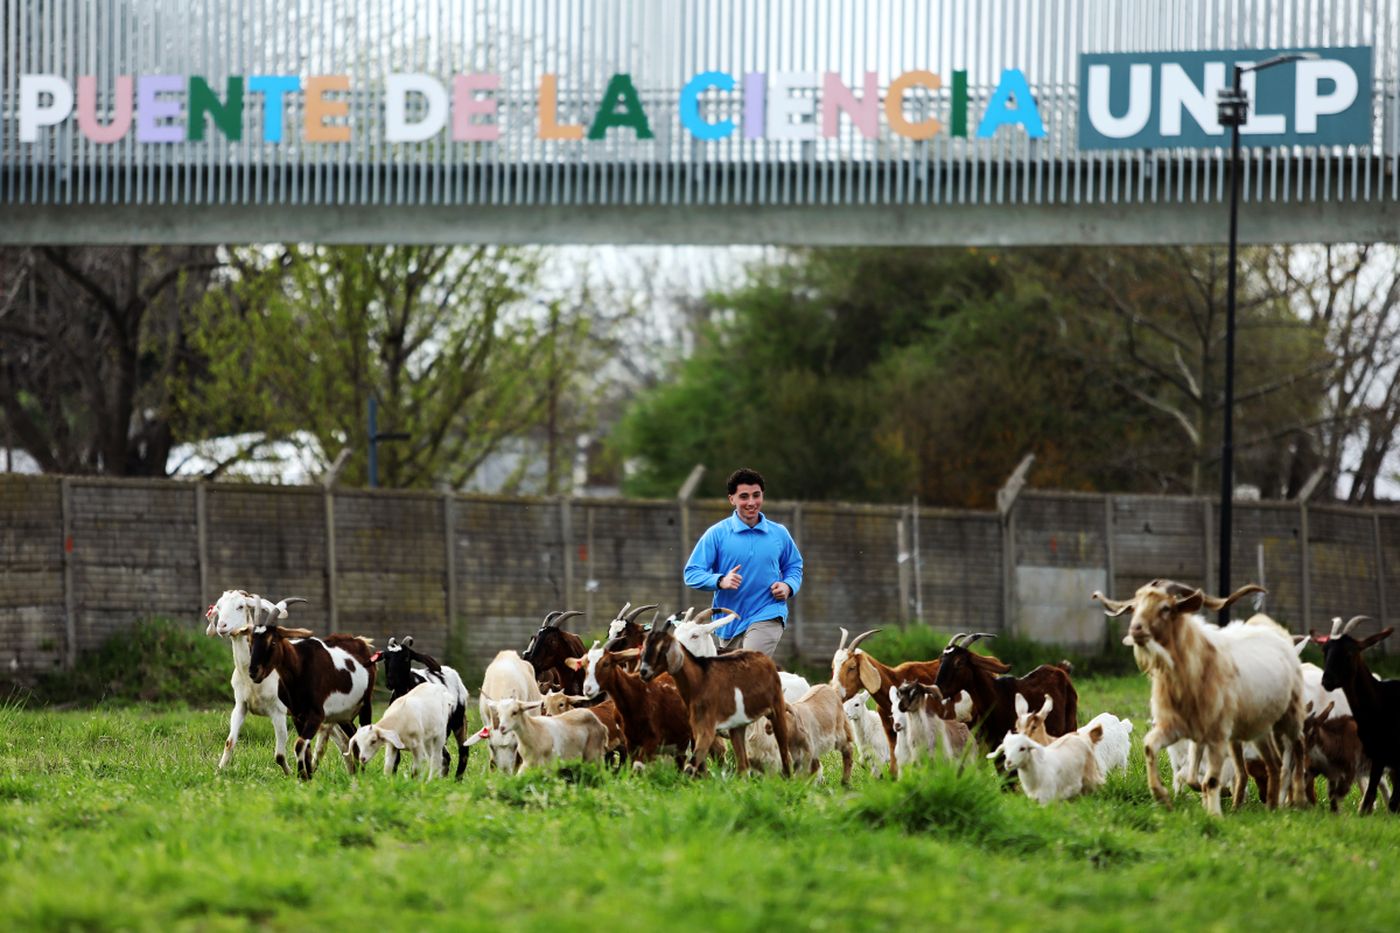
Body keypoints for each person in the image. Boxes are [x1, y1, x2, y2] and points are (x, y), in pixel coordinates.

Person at [682, 467, 804, 658]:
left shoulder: (779, 533)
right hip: (729, 621)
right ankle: (777, 688)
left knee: (749, 664)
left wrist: (788, 586)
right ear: (732, 499)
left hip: (768, 612)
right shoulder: (717, 534)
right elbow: (691, 573)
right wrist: (720, 580)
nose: (751, 502)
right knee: (734, 681)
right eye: (744, 497)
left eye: (756, 495)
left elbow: (794, 566)